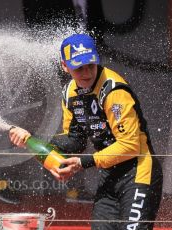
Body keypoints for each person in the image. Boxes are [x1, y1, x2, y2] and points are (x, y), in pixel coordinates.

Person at [9, 33, 163, 229]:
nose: (86, 73)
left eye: (90, 65)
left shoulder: (114, 91)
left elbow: (130, 145)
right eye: (78, 68)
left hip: (139, 172)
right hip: (109, 176)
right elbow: (75, 141)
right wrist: (31, 138)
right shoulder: (69, 93)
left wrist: (82, 163)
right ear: (65, 66)